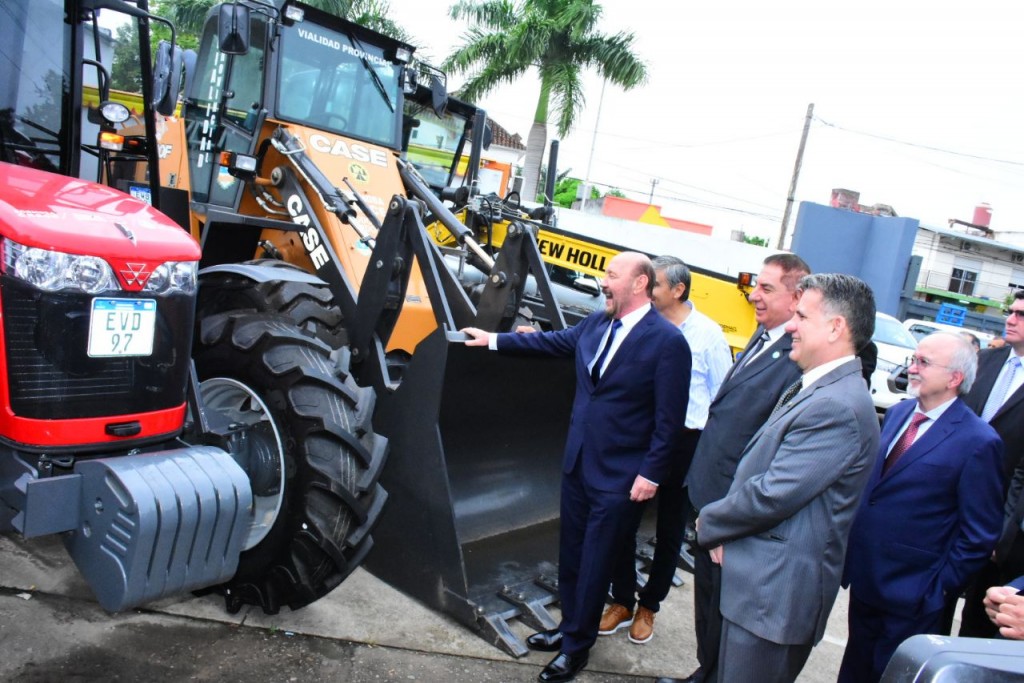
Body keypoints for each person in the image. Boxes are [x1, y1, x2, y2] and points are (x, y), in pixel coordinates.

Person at [461, 251, 691, 683]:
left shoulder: (668, 342)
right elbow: (551, 343)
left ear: (640, 284)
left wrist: (651, 474)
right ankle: (568, 629)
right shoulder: (596, 323)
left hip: (621, 477)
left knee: (595, 563)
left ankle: (577, 649)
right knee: (570, 557)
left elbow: (669, 419)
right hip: (578, 464)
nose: (603, 282)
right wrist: (492, 340)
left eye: (611, 275)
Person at [695, 272, 880, 683]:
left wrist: (710, 521)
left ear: (836, 328)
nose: (791, 325)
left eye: (802, 316)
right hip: (758, 589)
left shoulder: (838, 406)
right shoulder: (818, 388)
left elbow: (774, 494)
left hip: (772, 601)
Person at [661, 253, 810, 683]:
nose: (754, 295)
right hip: (709, 497)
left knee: (725, 611)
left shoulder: (794, 357)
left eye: (766, 289)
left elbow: (767, 450)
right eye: (755, 286)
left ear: (796, 296)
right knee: (707, 603)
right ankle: (706, 672)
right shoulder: (763, 338)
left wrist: (731, 522)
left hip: (731, 509)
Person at [839, 332, 1004, 683]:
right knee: (855, 672)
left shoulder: (979, 441)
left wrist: (937, 588)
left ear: (955, 378)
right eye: (913, 359)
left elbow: (979, 534)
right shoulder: (899, 412)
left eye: (924, 363)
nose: (912, 368)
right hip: (867, 579)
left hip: (914, 595)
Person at [602, 255, 731, 645]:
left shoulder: (707, 335)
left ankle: (648, 606)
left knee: (669, 528)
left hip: (685, 443)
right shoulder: (641, 323)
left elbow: (722, 396)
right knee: (623, 520)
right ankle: (622, 599)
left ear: (677, 290)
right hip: (642, 439)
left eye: (654, 285)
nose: (647, 290)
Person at [960, 290, 1024, 637]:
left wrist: (1005, 530)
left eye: (1021, 315)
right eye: (1010, 311)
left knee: (983, 620)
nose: (1010, 319)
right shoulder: (984, 361)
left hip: (1004, 527)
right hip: (955, 508)